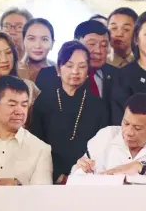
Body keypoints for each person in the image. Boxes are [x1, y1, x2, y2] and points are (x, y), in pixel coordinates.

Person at [31, 41, 109, 182]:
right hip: (48, 177)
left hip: (86, 178)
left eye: (82, 66)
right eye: (69, 65)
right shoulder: (44, 101)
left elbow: (101, 148)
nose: (75, 71)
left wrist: (79, 175)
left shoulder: (98, 105)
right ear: (58, 69)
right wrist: (59, 176)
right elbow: (36, 143)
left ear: (88, 72)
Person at [72, 93, 146, 185]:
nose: (128, 133)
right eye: (126, 123)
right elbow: (78, 176)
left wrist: (140, 167)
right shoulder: (106, 135)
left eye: (137, 128)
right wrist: (81, 166)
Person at [36, 20, 117, 112]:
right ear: (76, 43)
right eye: (91, 44)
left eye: (104, 45)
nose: (98, 51)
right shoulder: (48, 76)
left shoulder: (116, 75)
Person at [18, 18, 55, 82]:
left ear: (52, 43)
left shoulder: (59, 73)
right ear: (23, 41)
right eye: (31, 39)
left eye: (44, 39)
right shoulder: (13, 71)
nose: (37, 46)